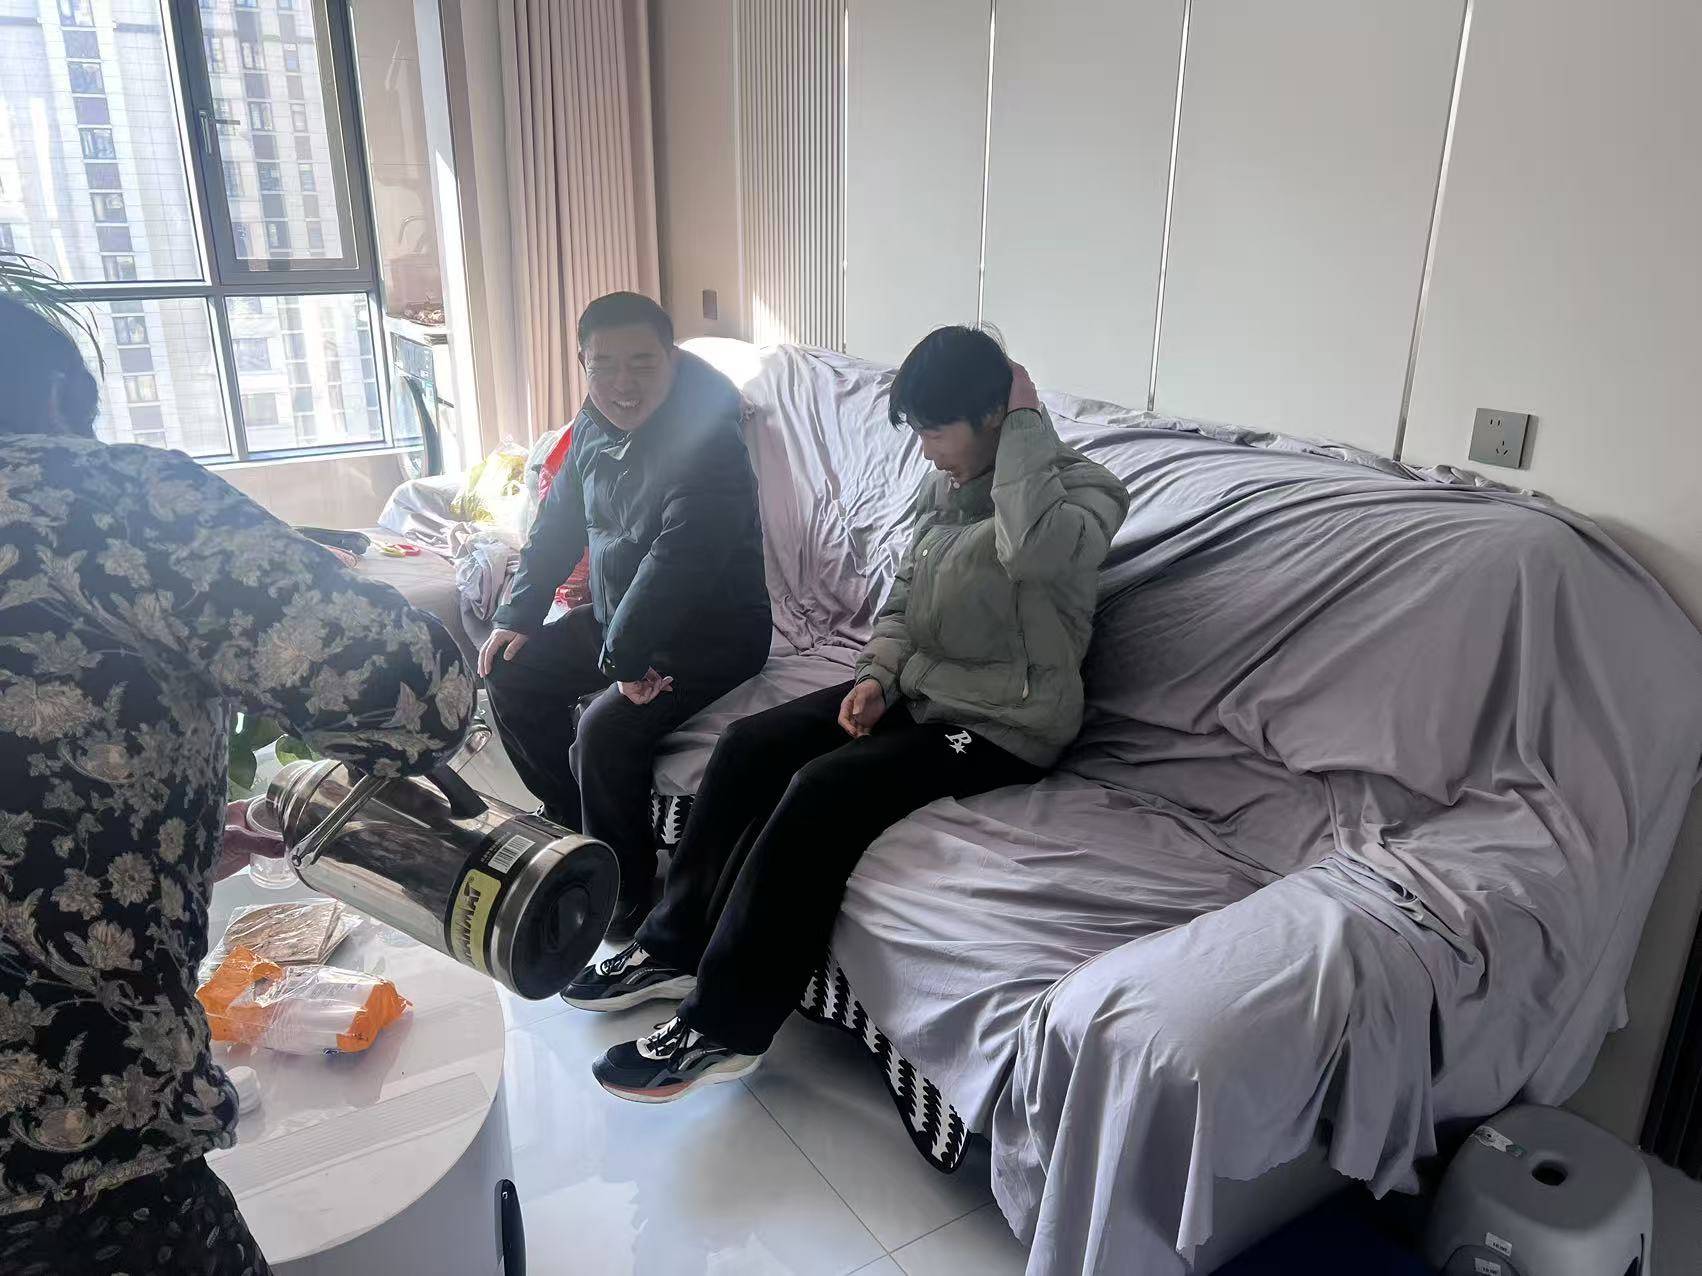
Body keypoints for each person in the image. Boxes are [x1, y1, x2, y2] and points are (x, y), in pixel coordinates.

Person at [0, 295, 475, 1274]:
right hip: (70, 1148)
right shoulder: (98, 497)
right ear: (53, 400)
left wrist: (150, 843)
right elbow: (414, 689)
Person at [566, 326, 1132, 1101]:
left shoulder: (1087, 494)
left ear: (997, 416)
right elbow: (901, 603)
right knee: (747, 746)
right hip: (919, 689)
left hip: (1002, 725)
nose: (926, 451)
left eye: (936, 430)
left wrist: (1027, 423)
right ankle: (672, 945)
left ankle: (724, 1028)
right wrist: (874, 676)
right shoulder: (946, 486)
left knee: (823, 791)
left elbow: (1032, 551)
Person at [480, 292, 770, 937]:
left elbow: (680, 561)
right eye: (603, 365)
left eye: (642, 362)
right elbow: (559, 524)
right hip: (622, 620)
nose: (622, 383)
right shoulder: (592, 423)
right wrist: (518, 612)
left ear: (671, 358)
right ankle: (572, 826)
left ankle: (625, 890)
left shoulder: (710, 444)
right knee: (509, 671)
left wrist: (626, 662)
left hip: (711, 633)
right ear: (583, 365)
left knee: (606, 730)